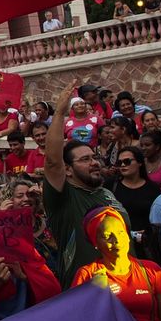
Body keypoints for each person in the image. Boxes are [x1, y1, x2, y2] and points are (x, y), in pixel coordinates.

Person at [42, 79, 126, 286]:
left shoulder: (106, 194)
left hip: (127, 287)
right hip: (87, 294)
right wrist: (60, 114)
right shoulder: (63, 199)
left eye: (94, 158)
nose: (94, 163)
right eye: (85, 160)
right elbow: (53, 162)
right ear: (68, 170)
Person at [110, 146, 161, 240]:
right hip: (117, 240)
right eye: (119, 162)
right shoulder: (110, 185)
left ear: (139, 162)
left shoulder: (152, 188)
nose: (122, 165)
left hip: (145, 243)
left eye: (127, 161)